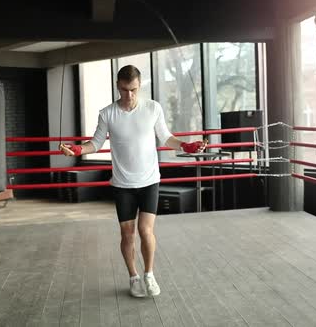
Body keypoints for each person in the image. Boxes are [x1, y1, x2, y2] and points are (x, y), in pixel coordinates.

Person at [60, 65, 206, 297]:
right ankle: (134, 277)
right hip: (122, 184)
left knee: (145, 230)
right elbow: (95, 144)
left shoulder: (152, 108)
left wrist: (187, 146)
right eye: (125, 90)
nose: (130, 95)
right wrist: (77, 149)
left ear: (140, 86)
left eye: (134, 90)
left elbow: (166, 137)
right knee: (127, 235)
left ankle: (149, 274)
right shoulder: (107, 113)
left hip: (149, 181)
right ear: (118, 86)